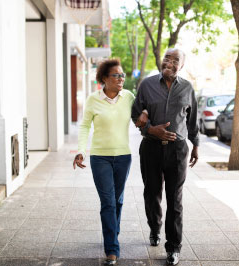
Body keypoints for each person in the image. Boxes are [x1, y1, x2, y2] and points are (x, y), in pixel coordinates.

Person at [73, 59, 146, 266]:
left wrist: (145, 114)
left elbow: (142, 113)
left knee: (118, 200)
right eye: (116, 75)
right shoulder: (93, 99)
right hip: (100, 158)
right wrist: (81, 150)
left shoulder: (129, 97)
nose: (121, 78)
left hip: (123, 156)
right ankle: (112, 249)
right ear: (104, 78)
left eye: (122, 75)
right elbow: (85, 126)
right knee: (108, 202)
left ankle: (112, 232)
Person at [131, 48, 199, 265]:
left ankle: (174, 247)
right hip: (150, 148)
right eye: (167, 58)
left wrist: (195, 145)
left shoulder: (187, 88)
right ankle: (154, 227)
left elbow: (192, 120)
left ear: (182, 65)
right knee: (152, 194)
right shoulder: (147, 85)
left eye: (175, 59)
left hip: (177, 150)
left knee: (175, 198)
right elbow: (135, 113)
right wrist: (151, 129)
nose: (169, 62)